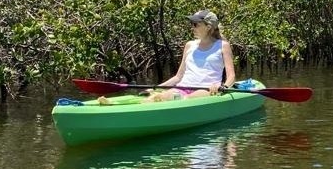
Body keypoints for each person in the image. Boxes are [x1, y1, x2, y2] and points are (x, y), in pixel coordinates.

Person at [98, 9, 236, 104]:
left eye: (195, 24)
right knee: (157, 97)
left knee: (187, 100)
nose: (192, 27)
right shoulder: (189, 45)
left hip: (205, 90)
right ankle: (112, 105)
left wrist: (222, 86)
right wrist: (156, 88)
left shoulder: (222, 45)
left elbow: (231, 77)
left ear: (208, 26)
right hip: (183, 87)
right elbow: (178, 77)